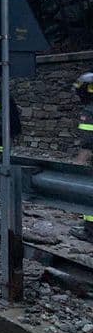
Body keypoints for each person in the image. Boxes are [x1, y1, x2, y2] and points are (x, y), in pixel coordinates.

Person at [69, 72, 93, 242]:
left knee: (88, 192)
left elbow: (88, 143)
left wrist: (78, 165)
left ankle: (90, 230)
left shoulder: (89, 111)